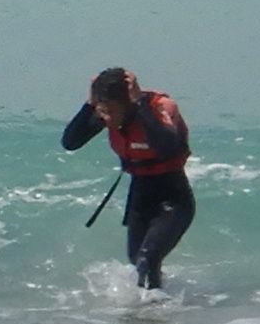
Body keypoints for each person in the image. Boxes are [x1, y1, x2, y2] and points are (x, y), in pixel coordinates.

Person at [64, 65, 194, 290]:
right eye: (102, 111)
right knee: (138, 262)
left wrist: (140, 103)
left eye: (110, 111)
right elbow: (70, 142)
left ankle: (152, 316)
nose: (106, 118)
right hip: (141, 197)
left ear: (128, 103)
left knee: (148, 259)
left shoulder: (159, 109)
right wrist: (90, 103)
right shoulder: (108, 114)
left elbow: (167, 147)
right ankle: (156, 314)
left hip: (173, 198)